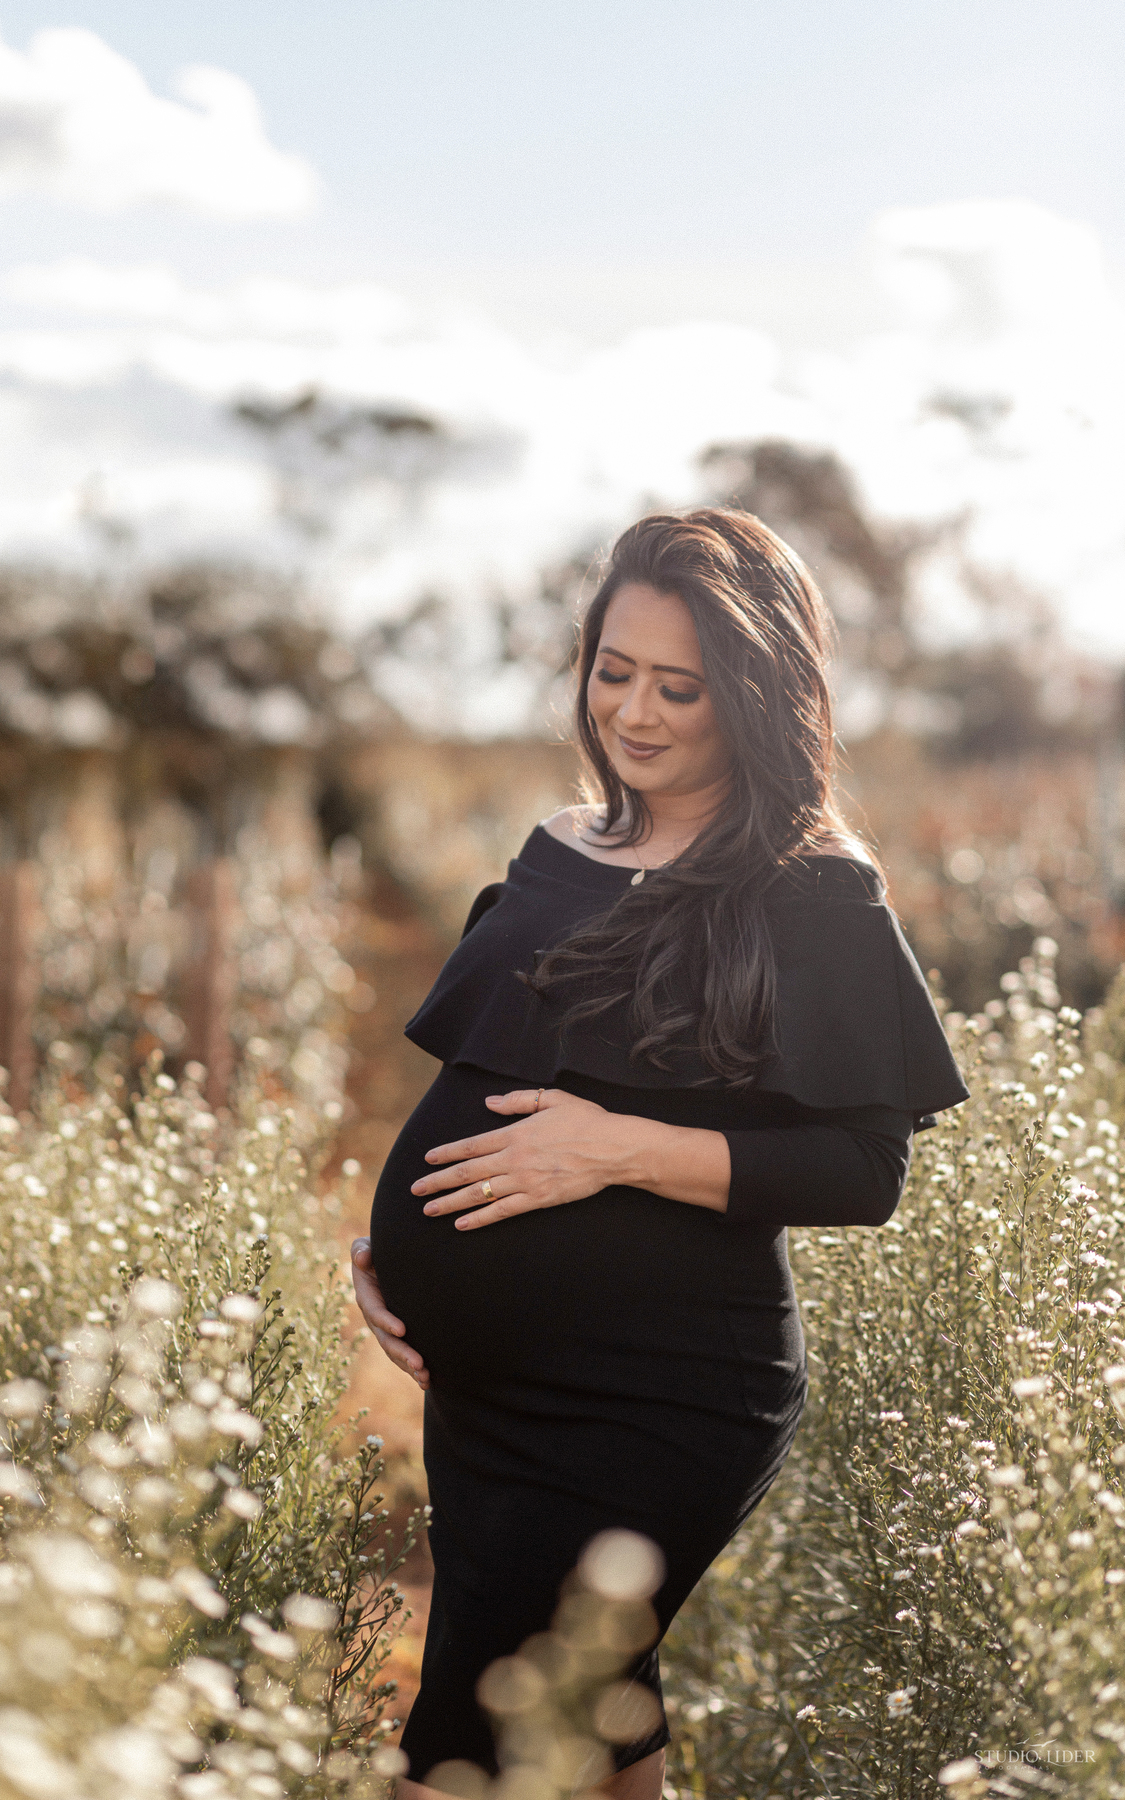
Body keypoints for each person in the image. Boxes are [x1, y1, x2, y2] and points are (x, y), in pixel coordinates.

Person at [351, 508, 968, 1796]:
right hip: (488, 1404)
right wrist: (393, 1247)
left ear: (752, 695)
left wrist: (616, 1149)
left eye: (679, 686)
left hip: (661, 1395)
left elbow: (866, 1174)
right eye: (612, 670)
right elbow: (481, 1085)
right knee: (606, 1711)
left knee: (469, 1744)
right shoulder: (562, 849)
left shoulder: (811, 889)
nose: (634, 712)